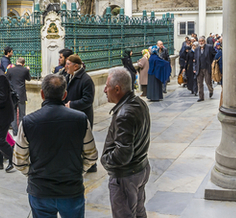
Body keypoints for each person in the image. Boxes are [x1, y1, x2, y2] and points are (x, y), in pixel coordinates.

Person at [13, 73, 98, 218]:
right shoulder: (80, 119)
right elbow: (91, 156)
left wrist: (34, 175)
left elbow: (18, 161)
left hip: (40, 191)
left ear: (42, 94)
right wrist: (77, 171)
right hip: (71, 190)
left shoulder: (28, 122)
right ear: (65, 95)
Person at [101, 67, 151, 218]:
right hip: (140, 168)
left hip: (126, 175)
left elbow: (123, 153)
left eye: (107, 87)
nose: (104, 90)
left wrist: (105, 160)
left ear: (117, 89)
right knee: (139, 212)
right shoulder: (138, 103)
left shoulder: (124, 114)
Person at [63, 55, 95, 128]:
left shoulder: (86, 80)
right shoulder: (67, 77)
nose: (66, 66)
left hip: (81, 119)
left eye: (68, 64)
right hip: (70, 117)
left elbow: (88, 100)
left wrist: (71, 105)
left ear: (75, 66)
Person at [6, 56, 32, 133]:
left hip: (12, 94)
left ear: (16, 62)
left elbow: (6, 79)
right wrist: (28, 70)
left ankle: (15, 131)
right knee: (22, 113)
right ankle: (21, 130)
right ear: (23, 64)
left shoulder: (10, 70)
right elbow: (29, 79)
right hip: (21, 94)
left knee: (13, 113)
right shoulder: (25, 70)